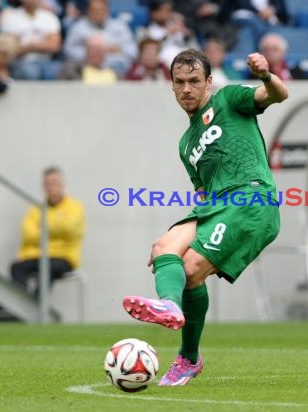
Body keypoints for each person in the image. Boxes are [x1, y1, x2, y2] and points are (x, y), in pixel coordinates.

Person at [122, 48, 288, 386]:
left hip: (251, 199)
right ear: (171, 86)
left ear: (209, 82)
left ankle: (186, 355)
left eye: (194, 81)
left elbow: (278, 94)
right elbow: (202, 194)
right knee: (163, 248)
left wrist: (265, 75)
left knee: (191, 269)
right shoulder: (186, 144)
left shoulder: (228, 99)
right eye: (179, 82)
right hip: (215, 205)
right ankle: (171, 309)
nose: (187, 89)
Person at [11, 167, 85, 294]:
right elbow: (27, 234)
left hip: (63, 257)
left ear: (62, 184)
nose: (52, 187)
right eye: (48, 184)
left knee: (48, 269)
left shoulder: (75, 207)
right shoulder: (36, 209)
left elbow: (69, 228)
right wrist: (56, 228)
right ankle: (24, 305)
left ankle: (36, 307)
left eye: (55, 182)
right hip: (37, 255)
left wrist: (42, 227)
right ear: (44, 187)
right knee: (16, 268)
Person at [63, 0, 137, 77]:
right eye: (95, 10)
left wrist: (118, 50)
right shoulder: (78, 28)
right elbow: (69, 50)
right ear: (88, 11)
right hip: (85, 68)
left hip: (116, 67)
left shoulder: (120, 27)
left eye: (102, 10)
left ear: (107, 11)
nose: (98, 13)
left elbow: (132, 51)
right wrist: (91, 53)